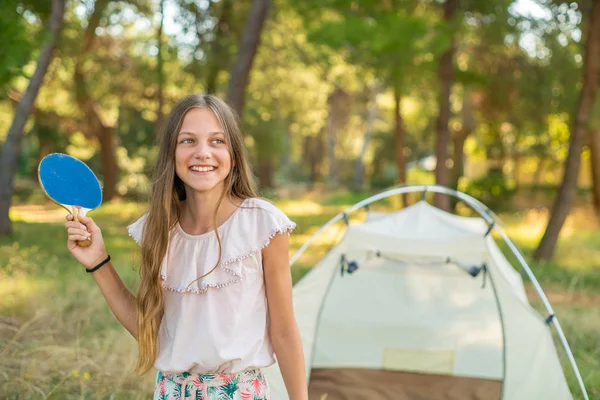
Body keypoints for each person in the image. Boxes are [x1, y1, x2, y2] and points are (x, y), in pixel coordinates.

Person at [64, 94, 308, 399]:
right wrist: (98, 261)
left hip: (241, 392)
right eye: (188, 141)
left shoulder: (262, 224)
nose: (203, 152)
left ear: (233, 153)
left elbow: (284, 332)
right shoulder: (159, 228)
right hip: (171, 392)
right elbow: (149, 333)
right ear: (172, 152)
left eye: (217, 141)